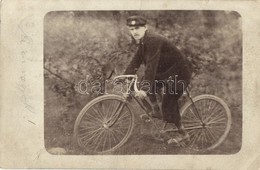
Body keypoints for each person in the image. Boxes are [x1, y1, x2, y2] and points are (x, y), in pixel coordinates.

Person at [123, 15, 193, 144]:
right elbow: (136, 61)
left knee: (168, 99)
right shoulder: (144, 41)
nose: (134, 32)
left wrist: (144, 90)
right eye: (131, 29)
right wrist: (124, 77)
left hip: (180, 72)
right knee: (145, 82)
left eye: (137, 28)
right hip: (167, 72)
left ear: (145, 28)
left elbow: (151, 65)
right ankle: (156, 111)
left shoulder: (153, 40)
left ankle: (182, 133)